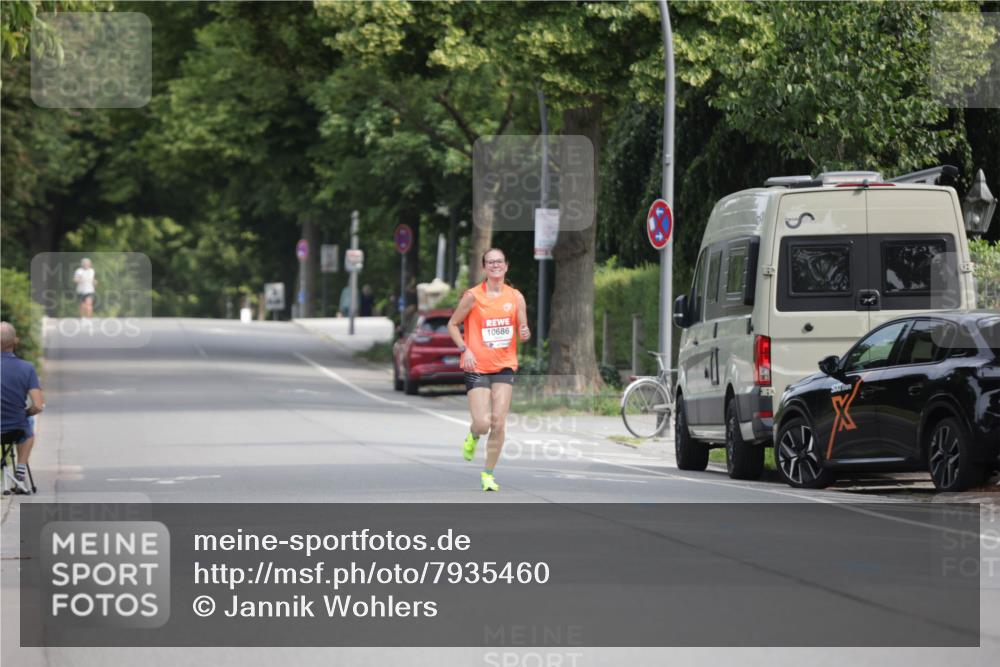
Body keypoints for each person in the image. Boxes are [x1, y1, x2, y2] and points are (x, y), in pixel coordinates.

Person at [447, 248, 530, 491]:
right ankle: (473, 435)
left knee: (499, 423)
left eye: (499, 262)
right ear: (484, 268)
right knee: (483, 423)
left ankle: (488, 474)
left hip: (504, 365)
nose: (495, 265)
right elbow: (452, 324)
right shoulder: (472, 296)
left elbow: (523, 329)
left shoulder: (516, 297)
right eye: (490, 262)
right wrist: (465, 349)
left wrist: (525, 332)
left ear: (506, 266)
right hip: (476, 365)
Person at [0, 322, 45, 492]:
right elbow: (39, 406)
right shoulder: (27, 368)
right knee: (28, 425)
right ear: (16, 341)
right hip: (15, 430)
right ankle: (19, 472)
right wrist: (25, 413)